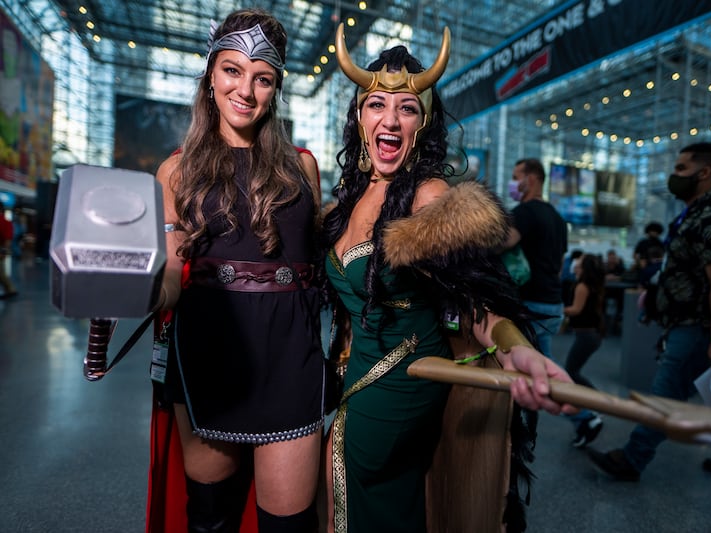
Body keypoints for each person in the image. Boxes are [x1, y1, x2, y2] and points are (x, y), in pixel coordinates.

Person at [321, 24, 575, 533]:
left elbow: (479, 298)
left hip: (403, 374)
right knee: (374, 499)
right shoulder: (350, 196)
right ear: (359, 115)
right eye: (376, 105)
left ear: (424, 121)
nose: (390, 119)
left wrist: (516, 350)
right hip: (359, 373)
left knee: (349, 486)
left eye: (407, 108)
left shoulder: (428, 195)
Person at [152, 9, 325, 532]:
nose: (245, 89)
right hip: (208, 353)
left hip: (291, 357)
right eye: (232, 70)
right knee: (212, 521)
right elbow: (170, 273)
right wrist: (136, 287)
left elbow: (324, 263)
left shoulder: (304, 166)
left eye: (263, 78)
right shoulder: (175, 170)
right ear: (210, 76)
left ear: (275, 89)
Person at [587, 139, 711, 486]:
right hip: (696, 326)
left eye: (681, 169)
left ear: (704, 173)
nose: (674, 176)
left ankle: (632, 459)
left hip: (700, 328)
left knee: (664, 396)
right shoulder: (696, 214)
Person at [506, 159, 603, 447]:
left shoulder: (524, 212)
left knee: (541, 371)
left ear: (532, 179)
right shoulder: (558, 219)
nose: (513, 183)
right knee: (540, 366)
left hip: (531, 304)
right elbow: (559, 263)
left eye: (516, 176)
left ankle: (584, 416)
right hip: (551, 303)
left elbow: (500, 242)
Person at [562, 253, 606, 447]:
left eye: (578, 264)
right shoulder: (591, 286)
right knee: (573, 372)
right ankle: (590, 405)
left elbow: (576, 310)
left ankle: (596, 401)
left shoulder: (581, 286)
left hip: (586, 336)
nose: (575, 266)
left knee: (571, 372)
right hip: (590, 335)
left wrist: (557, 309)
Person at [0, 202, 18, 299]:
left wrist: (3, 251)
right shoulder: (6, 222)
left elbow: (7, 238)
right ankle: (10, 289)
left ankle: (11, 289)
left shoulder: (4, 222)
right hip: (2, 248)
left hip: (1, 248)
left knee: (1, 273)